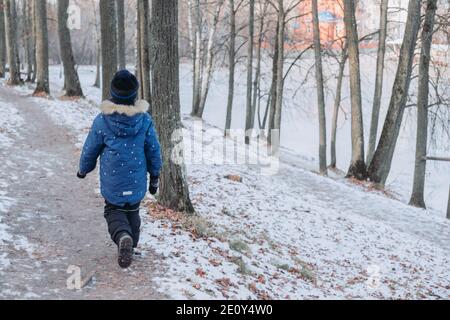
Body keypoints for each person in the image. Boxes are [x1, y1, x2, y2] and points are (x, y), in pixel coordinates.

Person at [77, 70, 162, 269]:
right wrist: (155, 176)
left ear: (113, 93)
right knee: (133, 210)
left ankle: (123, 236)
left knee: (113, 210)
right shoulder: (144, 120)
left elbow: (90, 149)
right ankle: (131, 242)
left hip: (113, 180)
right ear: (134, 95)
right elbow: (154, 151)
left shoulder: (102, 120)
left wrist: (83, 169)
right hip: (136, 181)